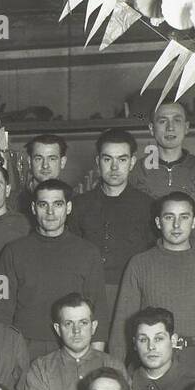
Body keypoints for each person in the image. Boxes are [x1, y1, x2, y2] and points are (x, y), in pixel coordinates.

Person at [108, 191, 195, 375]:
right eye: (169, 217)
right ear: (158, 222)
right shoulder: (140, 263)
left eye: (184, 217)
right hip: (152, 361)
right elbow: (122, 324)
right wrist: (117, 372)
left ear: (194, 222)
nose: (176, 225)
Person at [0, 178, 105, 358]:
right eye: (43, 204)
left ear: (68, 208)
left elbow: (98, 306)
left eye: (58, 204)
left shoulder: (88, 252)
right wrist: (5, 353)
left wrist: (94, 357)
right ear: (33, 208)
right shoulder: (13, 251)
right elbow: (1, 308)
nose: (50, 212)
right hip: (24, 346)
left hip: (72, 345)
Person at [65, 128, 155, 327]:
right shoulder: (79, 205)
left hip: (133, 296)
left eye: (122, 160)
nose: (114, 167)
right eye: (108, 159)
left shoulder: (148, 207)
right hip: (87, 295)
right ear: (98, 162)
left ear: (132, 162)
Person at [23, 292, 129, 390]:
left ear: (93, 327)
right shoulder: (41, 366)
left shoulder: (113, 364)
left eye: (83, 323)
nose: (76, 330)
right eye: (69, 324)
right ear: (58, 329)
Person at [128, 101, 195, 246]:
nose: (170, 127)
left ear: (186, 127)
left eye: (177, 120)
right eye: (162, 121)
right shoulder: (134, 172)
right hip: (148, 263)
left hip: (193, 263)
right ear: (152, 129)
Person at [12, 134, 68, 223]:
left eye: (52, 159)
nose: (45, 165)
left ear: (62, 162)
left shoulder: (75, 200)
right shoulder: (13, 202)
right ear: (30, 162)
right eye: (38, 159)